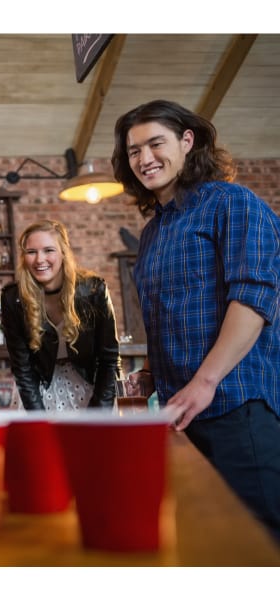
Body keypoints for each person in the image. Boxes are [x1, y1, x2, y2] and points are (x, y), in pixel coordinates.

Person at [112, 99, 280, 541]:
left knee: (257, 541)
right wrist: (149, 371)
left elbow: (253, 300)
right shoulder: (153, 231)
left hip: (235, 406)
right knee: (206, 540)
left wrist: (204, 382)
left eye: (155, 144)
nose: (145, 159)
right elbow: (161, 312)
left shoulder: (234, 203)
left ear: (187, 142)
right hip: (181, 413)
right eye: (134, 151)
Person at [0, 219, 120, 411]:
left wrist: (100, 412)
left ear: (63, 253)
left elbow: (109, 359)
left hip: (90, 386)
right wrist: (38, 418)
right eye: (31, 252)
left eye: (49, 250)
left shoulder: (93, 289)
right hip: (37, 390)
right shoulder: (12, 298)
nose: (40, 260)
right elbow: (22, 368)